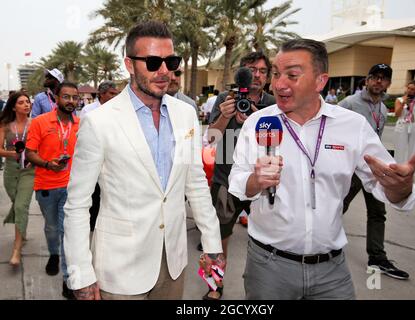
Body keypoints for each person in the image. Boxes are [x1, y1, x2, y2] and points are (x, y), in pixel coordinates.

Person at [228, 38, 415, 300]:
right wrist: (256, 180)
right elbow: (237, 181)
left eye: (292, 75)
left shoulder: (352, 126)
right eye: (276, 74)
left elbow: (386, 185)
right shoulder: (258, 123)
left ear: (320, 81)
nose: (278, 84)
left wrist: (401, 188)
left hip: (331, 272)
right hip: (268, 267)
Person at [63, 20, 224, 300]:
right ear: (129, 64)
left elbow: (195, 184)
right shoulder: (99, 122)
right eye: (152, 62)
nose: (164, 71)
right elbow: (78, 204)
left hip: (174, 262)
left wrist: (212, 243)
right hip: (120, 270)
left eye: (170, 61)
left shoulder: (185, 115)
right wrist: (81, 276)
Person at [200, 51, 276, 300]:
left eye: (262, 71)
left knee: (269, 240)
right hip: (225, 181)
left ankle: (266, 290)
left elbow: (277, 144)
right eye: (251, 69)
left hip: (262, 184)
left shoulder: (274, 104)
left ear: (268, 76)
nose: (256, 75)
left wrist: (256, 118)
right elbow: (211, 139)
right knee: (218, 239)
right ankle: (215, 287)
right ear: (240, 72)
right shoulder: (225, 98)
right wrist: (225, 115)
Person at [339, 63, 410, 280]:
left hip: (373, 169)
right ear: (367, 80)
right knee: (336, 206)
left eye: (384, 78)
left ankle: (377, 258)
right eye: (375, 77)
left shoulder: (382, 109)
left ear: (388, 83)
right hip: (350, 168)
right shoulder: (349, 103)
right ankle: (315, 242)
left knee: (378, 212)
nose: (379, 81)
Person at [25, 82, 80, 299]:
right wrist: (48, 164)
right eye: (66, 97)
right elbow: (29, 153)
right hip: (46, 185)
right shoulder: (40, 122)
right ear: (56, 98)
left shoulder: (81, 123)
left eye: (75, 98)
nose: (71, 101)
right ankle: (54, 254)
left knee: (67, 231)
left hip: (71, 186)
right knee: (51, 228)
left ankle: (68, 280)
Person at [79, 81, 119, 231]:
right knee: (95, 193)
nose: (115, 97)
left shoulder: (117, 110)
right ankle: (92, 223)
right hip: (94, 157)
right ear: (102, 94)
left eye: (116, 94)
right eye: (111, 93)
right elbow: (83, 134)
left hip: (113, 157)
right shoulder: (89, 110)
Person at [0, 92, 35, 267]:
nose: (26, 105)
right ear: (14, 107)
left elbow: (41, 147)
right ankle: (22, 230)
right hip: (10, 172)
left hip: (29, 171)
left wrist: (33, 158)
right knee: (17, 204)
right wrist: (13, 154)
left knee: (21, 206)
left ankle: (16, 249)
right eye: (21, 102)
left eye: (27, 102)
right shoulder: (5, 125)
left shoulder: (35, 124)